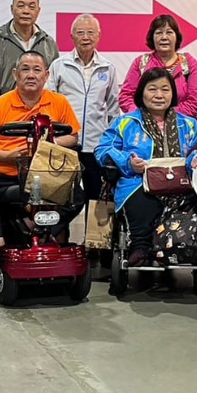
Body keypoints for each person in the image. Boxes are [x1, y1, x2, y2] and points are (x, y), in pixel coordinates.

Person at [0, 52, 81, 264]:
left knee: (78, 195)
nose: (31, 75)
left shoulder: (59, 102)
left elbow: (73, 136)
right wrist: (6, 156)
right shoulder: (0, 105)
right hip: (8, 173)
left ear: (46, 76)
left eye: (37, 70)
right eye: (25, 69)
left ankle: (37, 227)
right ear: (15, 74)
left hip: (46, 173)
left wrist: (46, 146)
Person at [96, 68, 197, 266]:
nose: (159, 95)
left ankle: (189, 248)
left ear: (173, 94)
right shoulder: (126, 122)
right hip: (138, 181)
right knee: (143, 201)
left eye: (165, 89)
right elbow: (103, 150)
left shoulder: (189, 124)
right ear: (141, 92)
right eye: (152, 89)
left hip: (182, 183)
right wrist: (128, 163)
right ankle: (140, 248)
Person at [46, 14, 121, 233]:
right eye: (80, 33)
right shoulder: (59, 65)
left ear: (98, 36)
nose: (85, 37)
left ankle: (96, 243)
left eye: (90, 32)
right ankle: (59, 239)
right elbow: (49, 102)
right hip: (65, 143)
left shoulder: (107, 68)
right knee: (60, 195)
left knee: (96, 195)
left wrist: (112, 141)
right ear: (71, 36)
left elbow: (113, 108)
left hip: (96, 144)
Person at [0, 0, 58, 100]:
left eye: (31, 7)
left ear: (38, 11)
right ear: (12, 9)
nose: (26, 11)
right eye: (21, 6)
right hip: (6, 108)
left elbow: (52, 83)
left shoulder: (48, 43)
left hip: (41, 109)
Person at [119, 14, 197, 118]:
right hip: (143, 123)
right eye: (159, 33)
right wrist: (143, 116)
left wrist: (165, 117)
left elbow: (195, 101)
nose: (164, 37)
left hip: (181, 123)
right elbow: (125, 96)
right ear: (152, 37)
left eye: (169, 32)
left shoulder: (190, 63)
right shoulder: (140, 62)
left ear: (177, 37)